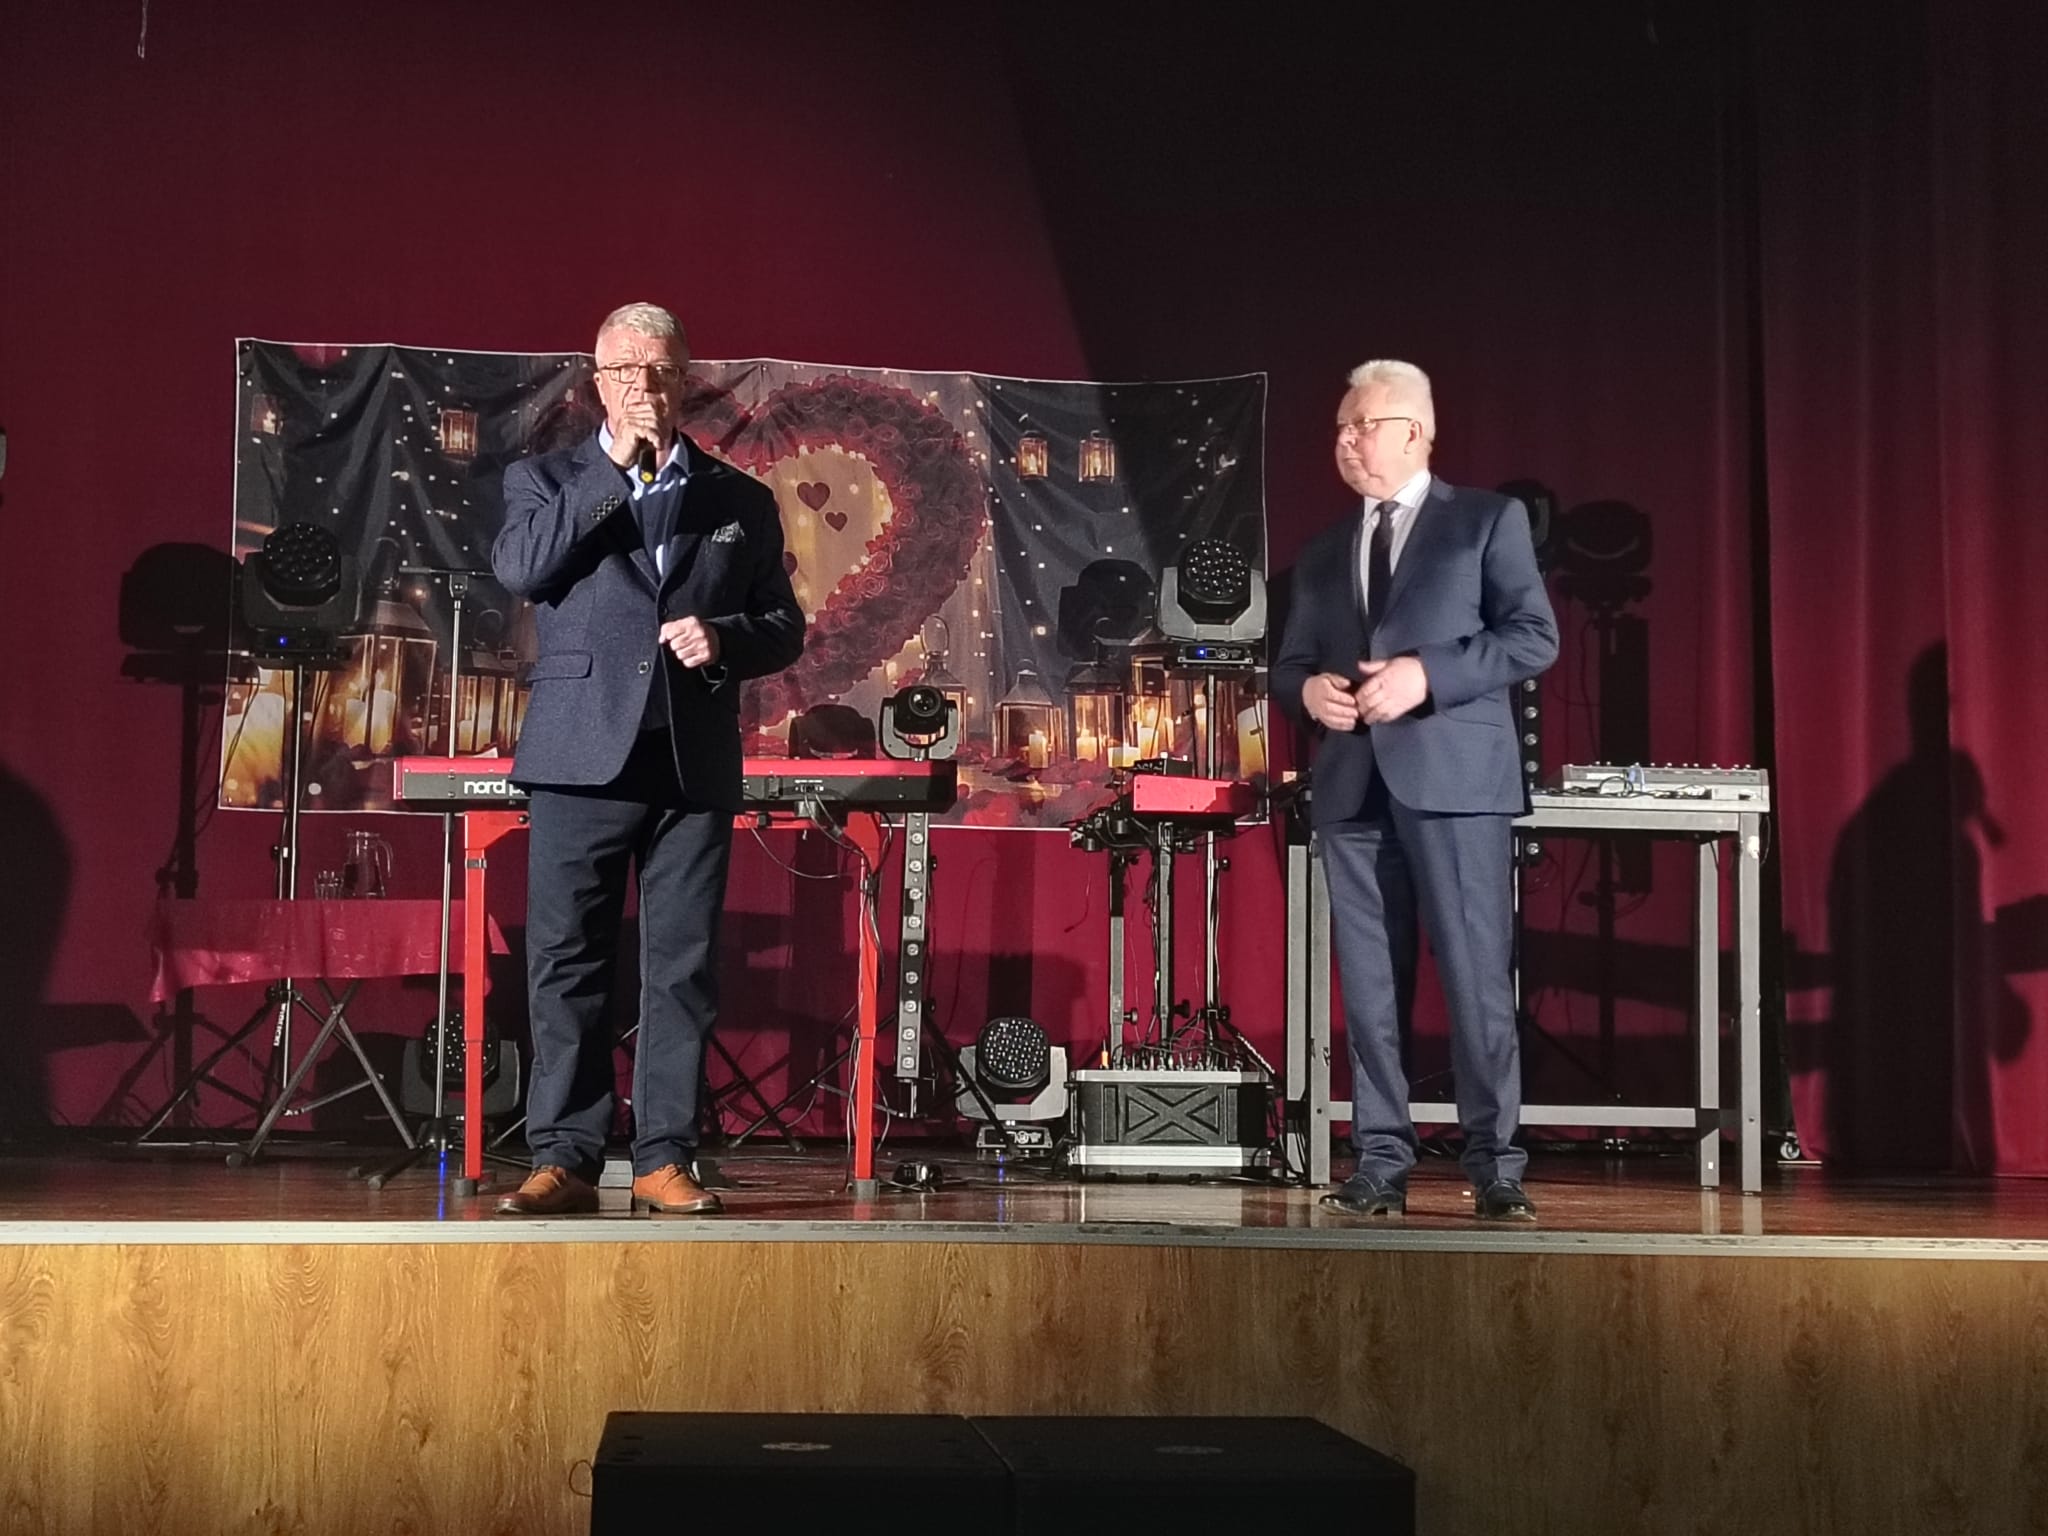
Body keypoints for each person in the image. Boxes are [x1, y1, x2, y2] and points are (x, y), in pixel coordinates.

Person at [491, 302, 804, 1216]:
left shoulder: (738, 498)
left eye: (659, 371)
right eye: (625, 371)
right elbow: (522, 570)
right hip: (578, 752)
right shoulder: (545, 478)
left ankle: (666, 1154)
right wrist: (612, 471)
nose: (643, 387)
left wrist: (726, 637)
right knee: (566, 959)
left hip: (688, 757)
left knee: (680, 967)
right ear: (598, 384)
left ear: (684, 382)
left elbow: (782, 625)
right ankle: (565, 1152)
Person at [1272, 360, 1557, 1221]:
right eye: (1340, 428)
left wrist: (1426, 675)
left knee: (1474, 978)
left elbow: (1532, 636)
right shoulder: (1324, 550)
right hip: (1353, 789)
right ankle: (1380, 1161)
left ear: (1415, 432)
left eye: (1362, 424)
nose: (1346, 440)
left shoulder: (1485, 521)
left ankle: (1496, 1164)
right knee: (1369, 989)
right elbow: (1289, 664)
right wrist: (1307, 692)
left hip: (1456, 783)